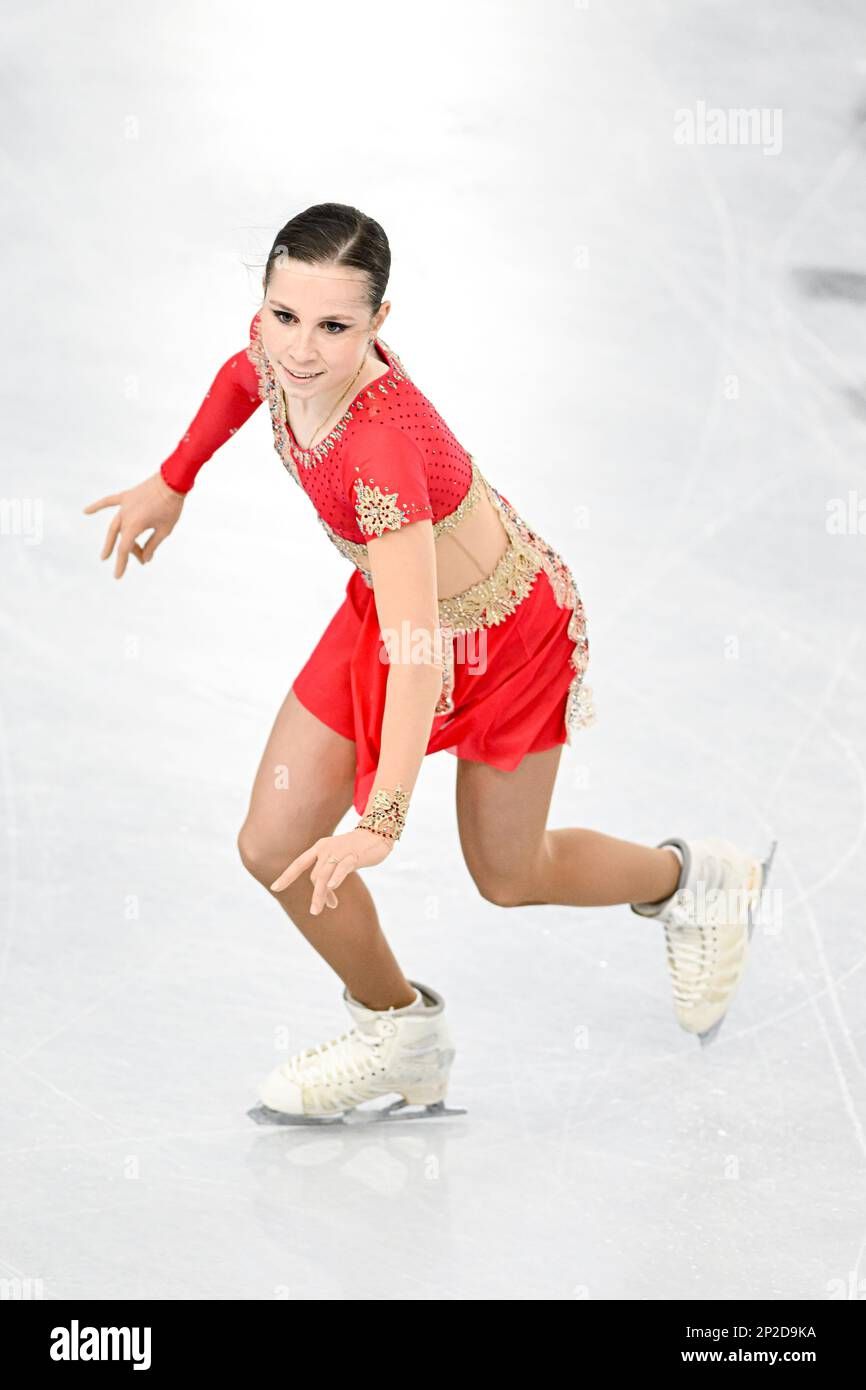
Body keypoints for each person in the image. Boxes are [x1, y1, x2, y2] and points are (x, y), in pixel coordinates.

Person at [83, 202, 776, 1124]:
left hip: (504, 638)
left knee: (510, 874)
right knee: (274, 842)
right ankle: (399, 1033)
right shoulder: (278, 347)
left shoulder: (379, 450)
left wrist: (384, 816)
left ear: (379, 324)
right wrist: (173, 478)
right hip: (395, 607)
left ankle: (692, 881)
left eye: (334, 327)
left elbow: (420, 656)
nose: (298, 347)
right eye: (284, 315)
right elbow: (243, 377)